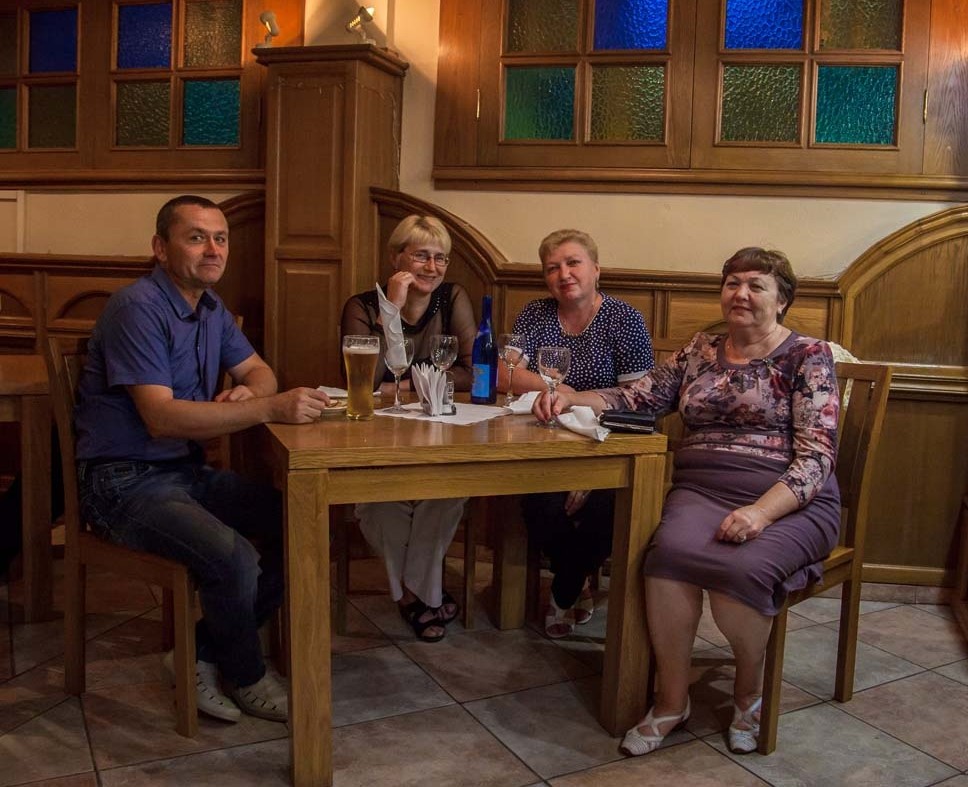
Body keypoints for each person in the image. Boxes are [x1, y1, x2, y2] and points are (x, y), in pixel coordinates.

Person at [534, 247, 840, 754]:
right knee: (666, 559)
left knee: (740, 572)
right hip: (701, 489)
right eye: (732, 283)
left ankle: (749, 692)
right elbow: (637, 398)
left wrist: (760, 512)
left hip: (786, 497)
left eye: (756, 285)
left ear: (782, 299)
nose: (741, 294)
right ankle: (671, 701)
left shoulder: (807, 355)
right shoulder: (701, 348)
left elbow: (818, 455)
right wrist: (571, 397)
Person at [74, 195, 332, 724]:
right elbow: (161, 418)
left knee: (303, 520)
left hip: (183, 473)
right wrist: (267, 408)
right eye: (196, 237)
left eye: (220, 238)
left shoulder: (211, 307)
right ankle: (248, 676)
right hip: (120, 482)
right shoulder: (137, 308)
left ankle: (200, 654)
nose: (213, 249)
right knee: (232, 556)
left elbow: (261, 372)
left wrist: (251, 392)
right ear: (160, 247)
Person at [501, 229, 654, 638]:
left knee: (604, 505)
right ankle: (577, 581)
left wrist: (575, 402)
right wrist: (556, 389)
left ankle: (563, 589)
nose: (563, 274)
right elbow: (505, 372)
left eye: (573, 263)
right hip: (543, 441)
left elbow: (638, 400)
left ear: (596, 270)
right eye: (552, 268)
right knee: (540, 502)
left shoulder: (624, 319)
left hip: (608, 441)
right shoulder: (535, 314)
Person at [340, 215, 476, 642]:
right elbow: (364, 380)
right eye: (421, 256)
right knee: (382, 501)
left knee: (447, 491)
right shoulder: (361, 306)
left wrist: (404, 386)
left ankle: (414, 594)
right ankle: (424, 595)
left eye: (440, 258)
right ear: (395, 258)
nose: (432, 267)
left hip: (441, 433)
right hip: (377, 436)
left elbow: (473, 372)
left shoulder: (452, 298)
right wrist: (391, 311)